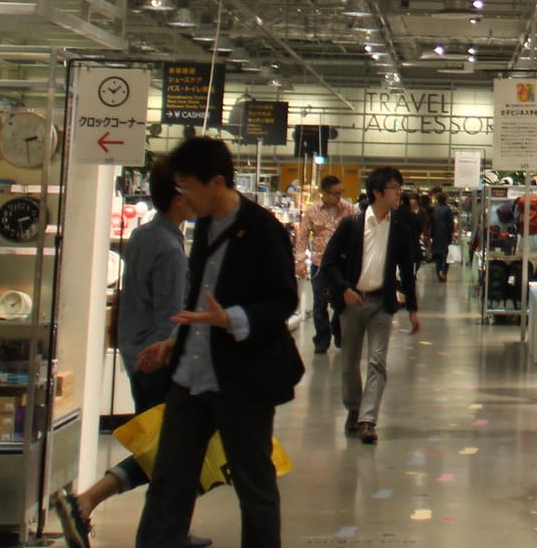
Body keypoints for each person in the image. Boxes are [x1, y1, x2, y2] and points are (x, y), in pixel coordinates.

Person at [132, 137, 304, 548]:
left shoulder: (263, 230)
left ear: (217, 182)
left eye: (188, 187)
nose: (183, 198)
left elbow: (283, 300)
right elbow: (199, 298)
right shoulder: (204, 225)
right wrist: (175, 341)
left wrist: (232, 319)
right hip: (190, 377)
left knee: (253, 484)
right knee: (170, 479)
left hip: (242, 380)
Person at [54, 163, 197, 548]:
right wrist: (170, 353)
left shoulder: (145, 234)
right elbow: (169, 315)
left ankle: (170, 531)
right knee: (166, 450)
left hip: (135, 351)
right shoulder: (169, 248)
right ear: (179, 195)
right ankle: (88, 500)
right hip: (157, 359)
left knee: (164, 448)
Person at [319, 167, 422, 445]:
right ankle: (354, 407)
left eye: (399, 187)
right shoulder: (351, 225)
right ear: (377, 192)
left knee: (377, 361)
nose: (398, 193)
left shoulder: (399, 227)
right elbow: (328, 263)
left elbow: (406, 268)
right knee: (350, 362)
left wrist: (412, 308)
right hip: (353, 302)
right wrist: (345, 290)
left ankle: (368, 419)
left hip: (382, 303)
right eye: (394, 188)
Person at [293, 174, 354, 355]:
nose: (338, 197)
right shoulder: (312, 212)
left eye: (340, 192)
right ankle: (322, 339)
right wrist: (300, 261)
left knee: (341, 304)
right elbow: (302, 237)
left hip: (342, 265)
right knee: (319, 305)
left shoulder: (350, 210)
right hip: (319, 265)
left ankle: (338, 332)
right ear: (324, 194)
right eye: (334, 193)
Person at [427, 186, 458, 283]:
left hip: (436, 235)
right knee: (446, 255)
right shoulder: (447, 209)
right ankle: (443, 272)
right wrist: (452, 233)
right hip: (445, 235)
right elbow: (450, 223)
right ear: (445, 199)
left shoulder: (435, 209)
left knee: (438, 256)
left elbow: (432, 222)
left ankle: (438, 273)